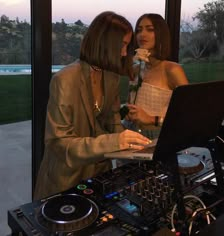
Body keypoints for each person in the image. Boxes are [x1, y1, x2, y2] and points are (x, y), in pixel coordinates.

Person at [34, 11, 152, 200]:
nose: (124, 53)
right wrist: (116, 141)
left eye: (127, 46)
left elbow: (113, 125)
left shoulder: (111, 77)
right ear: (104, 43)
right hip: (65, 178)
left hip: (99, 175)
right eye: (122, 45)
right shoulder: (65, 80)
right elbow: (58, 143)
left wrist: (135, 146)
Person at [124, 13, 189, 139]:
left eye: (150, 29)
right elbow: (129, 103)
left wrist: (151, 119)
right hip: (130, 134)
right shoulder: (135, 68)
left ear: (161, 34)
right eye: (139, 30)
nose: (142, 34)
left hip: (157, 139)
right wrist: (126, 112)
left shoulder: (172, 69)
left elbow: (188, 114)